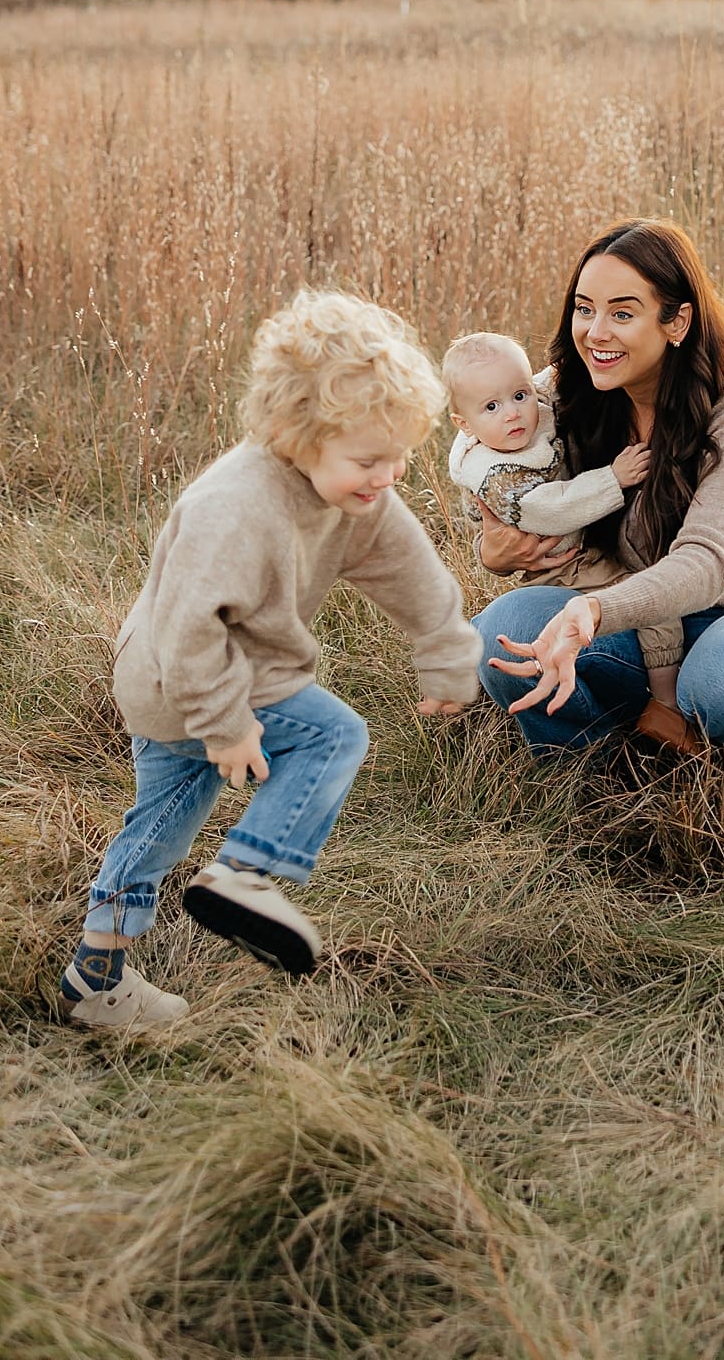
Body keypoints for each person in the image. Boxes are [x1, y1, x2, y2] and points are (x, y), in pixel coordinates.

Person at [58, 289, 482, 1034]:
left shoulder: (356, 491)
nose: (389, 477)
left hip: (189, 680)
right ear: (294, 433)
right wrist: (223, 725)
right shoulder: (239, 504)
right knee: (333, 736)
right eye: (369, 460)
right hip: (187, 672)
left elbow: (410, 569)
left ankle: (95, 976)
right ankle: (249, 873)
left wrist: (446, 649)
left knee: (159, 825)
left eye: (400, 457)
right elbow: (191, 628)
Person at [472, 221, 724, 790]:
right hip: (635, 623)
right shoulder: (569, 388)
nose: (596, 333)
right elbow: (480, 438)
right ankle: (594, 772)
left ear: (676, 321)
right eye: (584, 309)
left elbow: (705, 563)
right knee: (501, 631)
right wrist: (496, 543)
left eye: (622, 314)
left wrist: (594, 611)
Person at [442, 332, 695, 749]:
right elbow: (551, 508)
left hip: (582, 556)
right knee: (657, 612)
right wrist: (613, 478)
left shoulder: (529, 411)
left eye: (519, 395)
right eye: (492, 406)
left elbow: (546, 382)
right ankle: (665, 709)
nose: (513, 414)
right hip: (567, 570)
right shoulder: (495, 473)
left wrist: (577, 362)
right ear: (464, 425)